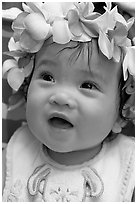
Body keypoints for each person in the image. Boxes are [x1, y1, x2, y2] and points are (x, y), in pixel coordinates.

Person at [2, 2, 135, 202]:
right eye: (47, 77)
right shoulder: (14, 153)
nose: (61, 97)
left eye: (88, 85)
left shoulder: (128, 165)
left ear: (122, 114)